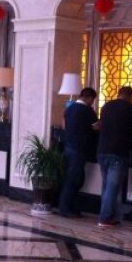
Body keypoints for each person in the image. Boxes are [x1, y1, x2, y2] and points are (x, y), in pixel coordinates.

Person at [97, 86, 132, 227]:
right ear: (131, 96)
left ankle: (107, 214)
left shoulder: (106, 106)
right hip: (118, 152)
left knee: (106, 185)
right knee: (112, 187)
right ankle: (105, 218)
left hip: (102, 150)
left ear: (118, 94)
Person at [58, 87, 98, 218]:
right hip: (79, 149)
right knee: (74, 180)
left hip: (68, 147)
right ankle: (65, 209)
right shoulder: (87, 110)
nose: (92, 103)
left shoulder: (69, 109)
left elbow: (64, 125)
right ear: (90, 98)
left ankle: (70, 208)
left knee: (72, 179)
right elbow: (96, 127)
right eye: (93, 100)